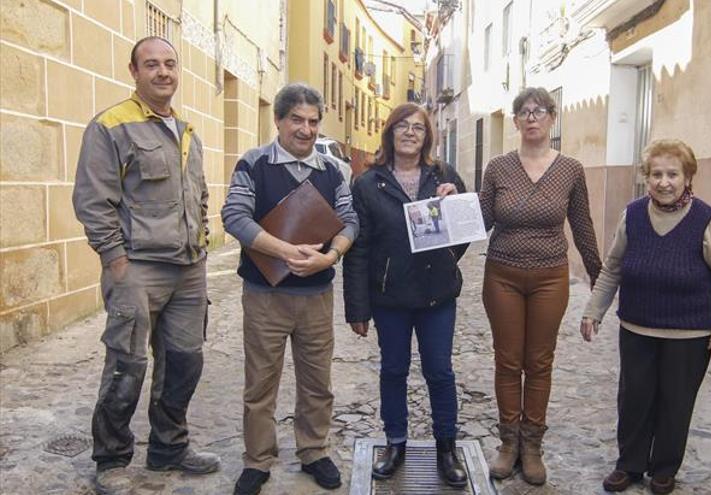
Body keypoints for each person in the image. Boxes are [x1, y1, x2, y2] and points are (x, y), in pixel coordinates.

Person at [73, 36, 219, 495]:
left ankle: (169, 447)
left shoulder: (187, 131)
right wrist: (114, 259)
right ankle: (112, 458)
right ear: (133, 71)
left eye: (170, 64)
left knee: (185, 362)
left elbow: (198, 195)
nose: (163, 72)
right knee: (127, 364)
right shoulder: (111, 126)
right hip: (136, 268)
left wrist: (201, 242)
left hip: (189, 269)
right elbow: (93, 200)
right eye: (151, 64)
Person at [221, 83, 359, 495]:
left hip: (316, 296)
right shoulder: (253, 163)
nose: (306, 129)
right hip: (265, 295)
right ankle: (257, 459)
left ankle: (314, 451)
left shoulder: (333, 171)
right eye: (296, 120)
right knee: (260, 383)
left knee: (317, 382)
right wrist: (285, 250)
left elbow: (350, 221)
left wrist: (330, 257)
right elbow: (234, 216)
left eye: (313, 121)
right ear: (279, 120)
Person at [581, 139, 711, 494]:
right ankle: (629, 465)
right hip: (637, 327)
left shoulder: (706, 220)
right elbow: (613, 268)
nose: (664, 182)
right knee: (634, 398)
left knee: (676, 403)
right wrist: (594, 311)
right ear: (646, 178)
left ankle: (665, 469)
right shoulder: (634, 215)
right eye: (656, 174)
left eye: (672, 174)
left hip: (690, 333)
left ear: (688, 178)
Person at [479, 87, 602, 485]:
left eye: (539, 111)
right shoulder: (497, 167)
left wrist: (599, 275)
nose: (531, 117)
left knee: (539, 361)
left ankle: (532, 446)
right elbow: (479, 221)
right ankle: (508, 443)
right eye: (523, 112)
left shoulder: (570, 169)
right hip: (502, 275)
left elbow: (582, 225)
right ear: (515, 121)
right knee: (508, 360)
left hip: (551, 276)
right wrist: (446, 204)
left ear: (552, 117)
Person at [342, 103, 469, 488]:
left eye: (418, 127)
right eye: (403, 126)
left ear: (427, 135)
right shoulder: (367, 184)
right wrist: (357, 308)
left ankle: (446, 447)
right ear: (390, 133)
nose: (411, 132)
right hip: (390, 298)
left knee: (440, 372)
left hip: (437, 295)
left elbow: (464, 230)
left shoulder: (444, 176)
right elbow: (358, 249)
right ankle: (395, 443)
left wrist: (454, 201)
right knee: (393, 371)